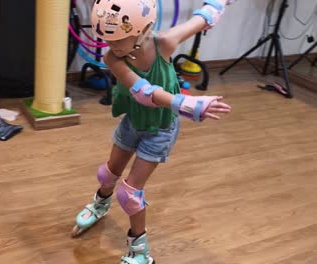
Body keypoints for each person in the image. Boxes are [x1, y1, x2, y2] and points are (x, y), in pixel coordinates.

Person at [72, 0, 234, 263]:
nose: (111, 46)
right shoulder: (112, 57)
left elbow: (203, 18)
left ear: (143, 29)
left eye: (118, 40)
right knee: (107, 173)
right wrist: (185, 102)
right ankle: (100, 203)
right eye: (107, 39)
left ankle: (140, 251)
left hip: (160, 127)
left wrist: (220, 1)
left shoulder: (165, 43)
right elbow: (144, 92)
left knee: (130, 194)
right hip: (134, 120)